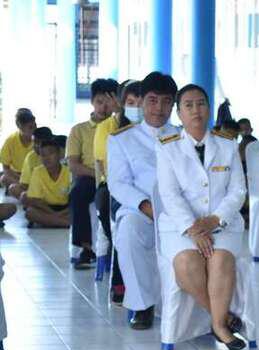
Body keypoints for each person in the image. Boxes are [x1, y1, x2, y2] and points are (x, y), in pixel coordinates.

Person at [156, 84, 247, 350]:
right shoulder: (167, 148)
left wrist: (215, 219)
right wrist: (193, 229)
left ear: (208, 108)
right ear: (179, 113)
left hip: (223, 225)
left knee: (220, 259)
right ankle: (222, 318)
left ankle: (218, 326)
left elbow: (238, 190)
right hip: (180, 227)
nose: (196, 110)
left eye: (201, 104)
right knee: (187, 262)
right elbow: (169, 194)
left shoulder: (227, 145)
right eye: (188, 105)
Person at [107, 71, 179, 330]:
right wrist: (146, 206)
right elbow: (118, 183)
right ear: (142, 101)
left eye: (166, 101)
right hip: (141, 209)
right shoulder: (122, 139)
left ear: (173, 105)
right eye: (152, 100)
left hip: (179, 211)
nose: (159, 108)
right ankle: (142, 305)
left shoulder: (184, 137)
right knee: (128, 231)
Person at [95, 79, 140, 304]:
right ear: (122, 103)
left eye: (141, 102)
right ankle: (120, 281)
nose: (136, 108)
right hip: (115, 187)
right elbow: (107, 168)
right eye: (131, 102)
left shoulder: (157, 130)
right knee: (123, 219)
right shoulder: (109, 129)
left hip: (149, 192)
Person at [67, 78, 117, 269]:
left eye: (108, 102)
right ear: (92, 101)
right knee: (78, 193)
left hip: (118, 176)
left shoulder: (120, 127)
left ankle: (113, 247)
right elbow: (73, 164)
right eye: (99, 102)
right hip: (90, 176)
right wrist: (99, 175)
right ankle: (86, 248)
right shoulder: (78, 130)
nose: (104, 107)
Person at [22, 135, 71, 228]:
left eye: (51, 153)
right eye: (43, 155)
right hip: (45, 208)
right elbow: (35, 200)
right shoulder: (37, 172)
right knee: (29, 213)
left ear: (59, 154)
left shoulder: (69, 172)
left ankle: (52, 221)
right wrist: (53, 213)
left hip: (65, 209)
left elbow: (74, 200)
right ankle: (66, 223)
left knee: (80, 209)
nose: (47, 158)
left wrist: (61, 213)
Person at [1, 109, 37, 192]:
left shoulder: (38, 139)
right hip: (18, 175)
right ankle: (29, 190)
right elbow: (6, 168)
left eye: (35, 125)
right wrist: (21, 180)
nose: (34, 129)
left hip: (35, 175)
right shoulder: (10, 141)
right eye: (30, 127)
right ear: (20, 127)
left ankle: (28, 191)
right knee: (4, 179)